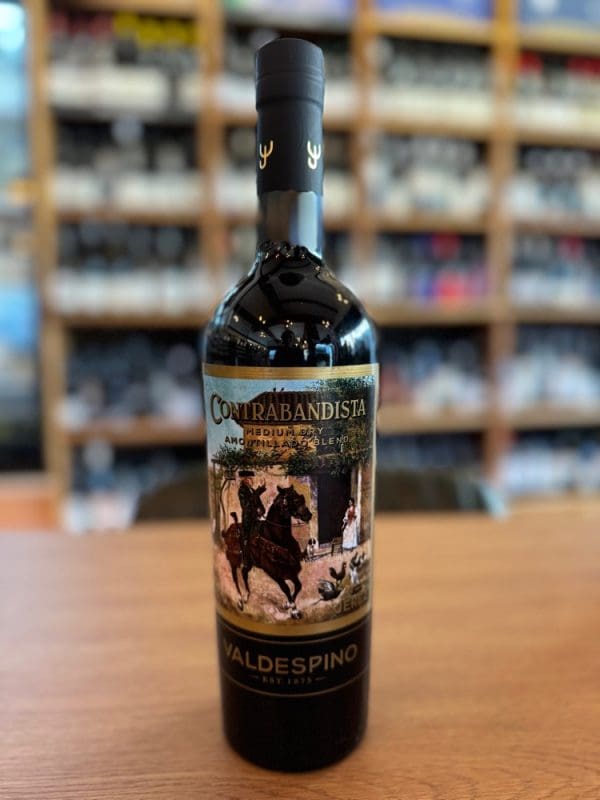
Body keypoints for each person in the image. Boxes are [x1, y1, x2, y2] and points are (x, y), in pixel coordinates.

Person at [238, 470, 266, 567]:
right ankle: (245, 558)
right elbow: (246, 505)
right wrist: (259, 490)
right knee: (246, 537)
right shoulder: (242, 491)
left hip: (256, 517)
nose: (252, 480)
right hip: (248, 518)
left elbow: (257, 501)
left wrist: (261, 510)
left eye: (251, 478)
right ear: (245, 480)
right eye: (250, 478)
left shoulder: (252, 490)